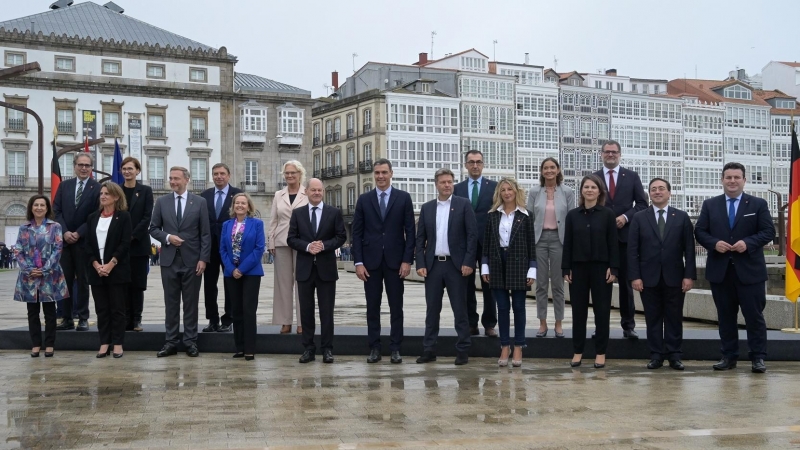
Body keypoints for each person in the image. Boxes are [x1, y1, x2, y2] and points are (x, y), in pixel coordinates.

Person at [695, 162, 775, 373]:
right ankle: (728, 356)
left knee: (754, 317)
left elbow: (768, 232)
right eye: (728, 177)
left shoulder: (758, 204)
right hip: (721, 272)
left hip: (750, 272)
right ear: (722, 180)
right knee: (725, 317)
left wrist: (748, 243)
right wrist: (714, 244)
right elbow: (700, 231)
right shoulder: (710, 205)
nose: (732, 181)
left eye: (736, 177)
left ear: (744, 180)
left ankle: (758, 358)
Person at [352, 158, 415, 364]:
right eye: (377, 173)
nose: (380, 176)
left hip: (396, 263)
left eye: (384, 173)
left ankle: (396, 348)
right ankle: (374, 348)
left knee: (396, 307)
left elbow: (410, 233)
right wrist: (358, 262)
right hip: (370, 263)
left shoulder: (403, 198)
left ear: (391, 173)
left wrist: (407, 260)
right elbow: (357, 234)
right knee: (373, 307)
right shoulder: (364, 199)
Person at [629, 178, 696, 371]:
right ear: (649, 194)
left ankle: (675, 355)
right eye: (653, 189)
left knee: (674, 317)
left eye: (661, 189)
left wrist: (689, 275)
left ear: (669, 193)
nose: (657, 192)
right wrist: (635, 276)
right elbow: (633, 250)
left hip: (675, 277)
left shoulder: (681, 217)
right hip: (647, 278)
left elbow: (689, 249)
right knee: (653, 318)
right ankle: (656, 355)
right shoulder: (640, 217)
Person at [415, 168, 478, 366]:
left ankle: (462, 350)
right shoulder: (427, 208)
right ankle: (429, 349)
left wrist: (469, 262)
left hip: (456, 267)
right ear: (436, 184)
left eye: (450, 182)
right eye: (443, 182)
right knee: (432, 310)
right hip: (433, 266)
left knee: (460, 310)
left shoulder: (463, 205)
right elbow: (420, 239)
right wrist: (421, 263)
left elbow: (472, 236)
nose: (447, 185)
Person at [149, 166, 211, 358]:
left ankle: (191, 342)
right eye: (171, 178)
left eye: (176, 178)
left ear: (187, 180)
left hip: (192, 261)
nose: (173, 182)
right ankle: (171, 342)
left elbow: (205, 234)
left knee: (191, 303)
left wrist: (203, 259)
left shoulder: (200, 202)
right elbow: (153, 228)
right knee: (171, 303)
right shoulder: (162, 202)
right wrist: (168, 237)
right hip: (169, 261)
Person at [287, 178, 346, 364]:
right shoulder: (298, 213)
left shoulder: (334, 212)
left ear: (323, 192)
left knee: (327, 312)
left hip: (326, 269)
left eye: (320, 190)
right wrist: (307, 246)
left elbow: (341, 237)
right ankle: (308, 349)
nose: (317, 193)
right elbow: (291, 239)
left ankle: (327, 349)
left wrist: (324, 245)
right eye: (313, 190)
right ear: (306, 191)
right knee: (306, 311)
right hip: (305, 269)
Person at [562, 174, 619, 369]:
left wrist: (614, 267)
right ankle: (578, 351)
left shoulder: (608, 214)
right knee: (578, 312)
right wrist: (565, 268)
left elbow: (613, 243)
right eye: (586, 187)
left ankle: (600, 352)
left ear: (599, 192)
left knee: (602, 312)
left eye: (593, 187)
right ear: (581, 191)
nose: (589, 190)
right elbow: (567, 243)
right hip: (577, 269)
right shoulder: (572, 215)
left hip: (601, 269)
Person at [593, 140, 647, 339]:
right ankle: (601, 328)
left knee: (626, 285)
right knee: (600, 286)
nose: (610, 155)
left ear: (619, 154)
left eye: (614, 152)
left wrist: (625, 218)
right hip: (601, 241)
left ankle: (628, 326)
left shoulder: (631, 176)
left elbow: (642, 204)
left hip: (625, 239)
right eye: (607, 152)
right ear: (601, 154)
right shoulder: (594, 178)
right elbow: (588, 205)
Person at [480, 178, 536, 367]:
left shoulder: (526, 215)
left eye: (509, 189)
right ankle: (505, 345)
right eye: (503, 190)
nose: (506, 193)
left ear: (516, 191)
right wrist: (485, 266)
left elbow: (531, 245)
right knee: (502, 308)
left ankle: (519, 345)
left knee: (519, 307)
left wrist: (532, 269)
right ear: (499, 193)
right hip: (496, 264)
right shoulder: (493, 215)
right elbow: (486, 244)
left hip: (519, 265)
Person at [13, 195, 69, 358]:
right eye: (36, 205)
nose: (39, 208)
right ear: (31, 207)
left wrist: (44, 270)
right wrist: (28, 269)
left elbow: (58, 249)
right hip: (29, 276)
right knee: (32, 312)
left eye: (42, 205)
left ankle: (50, 344)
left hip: (49, 275)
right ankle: (36, 344)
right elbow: (18, 250)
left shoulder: (55, 226)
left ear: (47, 208)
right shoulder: (24, 228)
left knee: (50, 312)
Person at [527, 157, 574, 338]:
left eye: (552, 167)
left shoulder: (567, 192)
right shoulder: (534, 192)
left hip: (558, 239)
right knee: (540, 285)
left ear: (558, 170)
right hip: (539, 240)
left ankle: (559, 323)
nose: (549, 171)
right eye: (545, 168)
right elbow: (529, 218)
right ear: (541, 171)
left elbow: (570, 219)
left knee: (558, 285)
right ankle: (542, 323)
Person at [53, 152, 101, 331]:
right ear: (74, 166)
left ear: (91, 168)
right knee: (64, 281)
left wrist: (78, 233)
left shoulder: (96, 188)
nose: (84, 168)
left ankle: (82, 317)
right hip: (65, 243)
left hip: (83, 242)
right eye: (80, 165)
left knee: (82, 281)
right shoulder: (64, 186)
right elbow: (56, 211)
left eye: (87, 165)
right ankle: (65, 317)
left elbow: (95, 215)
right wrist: (65, 232)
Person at [85, 182, 132, 359]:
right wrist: (97, 265)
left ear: (116, 197)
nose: (103, 196)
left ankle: (118, 344)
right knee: (102, 309)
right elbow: (88, 245)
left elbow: (125, 243)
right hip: (97, 271)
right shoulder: (92, 218)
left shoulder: (124, 217)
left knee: (117, 309)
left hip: (117, 271)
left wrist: (111, 264)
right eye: (101, 193)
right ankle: (104, 342)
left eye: (107, 193)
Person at [454, 150, 498, 337]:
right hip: (465, 245)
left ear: (483, 164)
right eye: (471, 162)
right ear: (465, 165)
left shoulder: (494, 187)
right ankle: (471, 322)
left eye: (478, 162)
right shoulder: (458, 189)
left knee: (490, 286)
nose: (475, 165)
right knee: (467, 286)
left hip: (488, 243)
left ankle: (489, 324)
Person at [220, 193, 265, 361]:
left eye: (243, 203)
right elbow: (222, 250)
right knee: (236, 311)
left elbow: (259, 248)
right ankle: (239, 347)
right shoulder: (226, 225)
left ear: (248, 206)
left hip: (251, 273)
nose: (240, 205)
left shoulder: (257, 224)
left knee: (248, 310)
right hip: (231, 273)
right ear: (233, 206)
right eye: (237, 203)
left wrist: (242, 269)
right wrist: (231, 269)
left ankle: (249, 349)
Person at [200, 163, 242, 333]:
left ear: (229, 175)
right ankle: (212, 319)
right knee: (209, 285)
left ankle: (228, 319)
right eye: (215, 174)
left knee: (230, 283)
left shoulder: (237, 194)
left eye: (222, 173)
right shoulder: (204, 196)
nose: (219, 176)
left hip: (230, 247)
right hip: (209, 247)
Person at [268, 160, 309, 334]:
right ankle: (285, 321)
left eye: (293, 172)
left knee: (302, 282)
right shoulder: (279, 195)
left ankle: (302, 322)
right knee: (283, 284)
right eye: (287, 173)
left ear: (300, 174)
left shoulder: (307, 193)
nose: (290, 176)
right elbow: (273, 220)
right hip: (282, 241)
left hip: (302, 243)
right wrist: (270, 241)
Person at [119, 157, 153, 332]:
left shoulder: (145, 191)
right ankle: (125, 318)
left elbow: (147, 217)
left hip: (138, 245)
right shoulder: (117, 191)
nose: (127, 171)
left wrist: (132, 235)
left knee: (137, 284)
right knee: (123, 283)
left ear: (138, 171)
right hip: (119, 246)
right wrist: (122, 237)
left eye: (130, 168)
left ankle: (137, 319)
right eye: (124, 168)